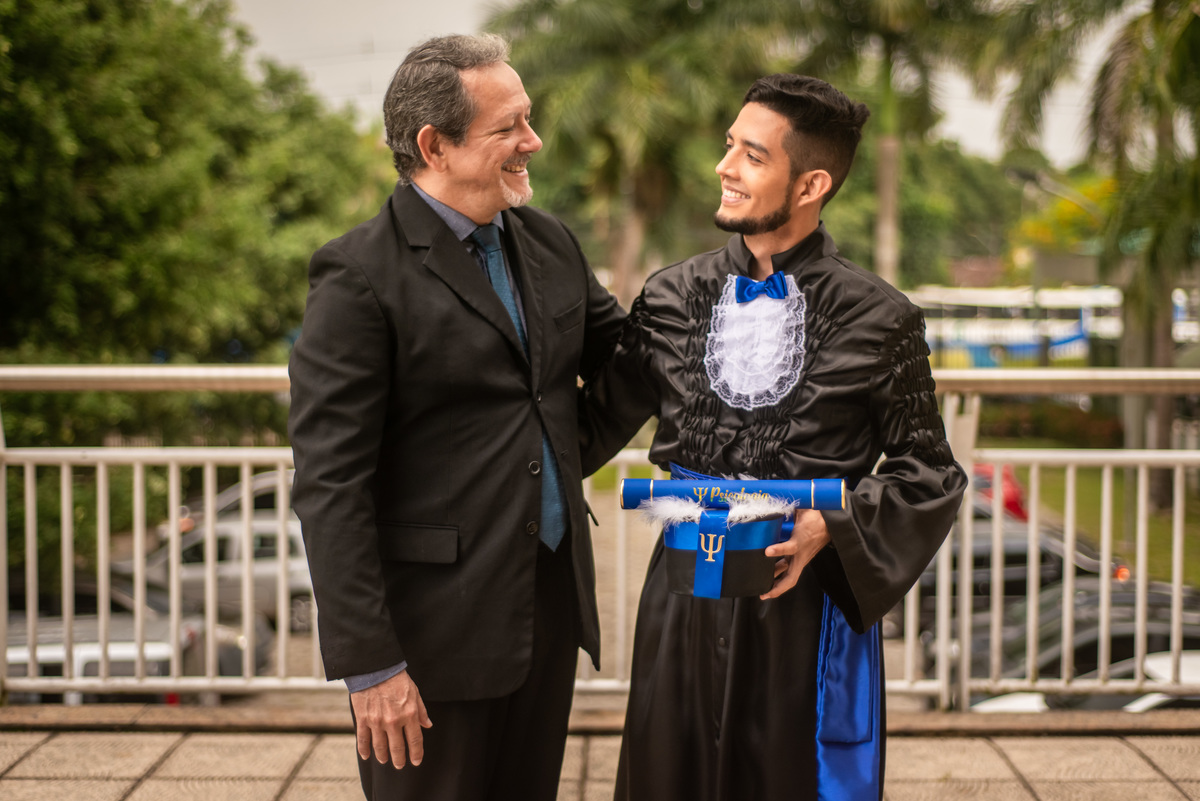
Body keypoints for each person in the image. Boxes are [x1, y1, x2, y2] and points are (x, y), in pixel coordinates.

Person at [577, 74, 968, 800]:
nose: (724, 167)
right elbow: (585, 429)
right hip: (682, 596)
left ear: (812, 182)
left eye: (752, 155)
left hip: (803, 611)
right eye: (729, 146)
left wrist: (836, 522)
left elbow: (930, 471)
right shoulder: (667, 298)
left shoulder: (883, 320)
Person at [288, 33, 625, 801]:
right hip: (427, 638)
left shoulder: (549, 239)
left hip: (546, 609)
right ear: (433, 145)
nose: (531, 142)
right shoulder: (357, 275)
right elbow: (330, 484)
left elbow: (626, 360)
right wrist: (372, 665)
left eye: (528, 119)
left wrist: (565, 449)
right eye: (508, 127)